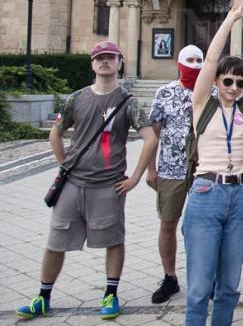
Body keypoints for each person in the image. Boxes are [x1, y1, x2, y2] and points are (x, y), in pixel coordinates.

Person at [16, 41, 157, 320]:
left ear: (119, 63)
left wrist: (136, 177)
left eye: (110, 57)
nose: (105, 62)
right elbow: (56, 133)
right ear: (92, 64)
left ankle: (110, 293)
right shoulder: (76, 98)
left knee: (113, 240)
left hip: (109, 184)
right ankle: (43, 296)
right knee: (56, 240)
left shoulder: (128, 102)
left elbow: (151, 138)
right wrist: (63, 164)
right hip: (73, 184)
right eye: (99, 58)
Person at [183, 4, 243, 326]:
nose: (234, 87)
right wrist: (230, 19)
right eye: (228, 80)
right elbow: (209, 60)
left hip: (240, 196)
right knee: (198, 287)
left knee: (229, 286)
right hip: (206, 192)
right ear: (217, 81)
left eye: (239, 82)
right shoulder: (201, 105)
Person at [145, 44, 204, 303]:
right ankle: (170, 277)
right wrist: (150, 168)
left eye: (198, 60)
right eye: (189, 60)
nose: (194, 65)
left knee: (203, 226)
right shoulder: (164, 93)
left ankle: (205, 278)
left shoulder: (211, 91)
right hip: (171, 168)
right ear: (179, 63)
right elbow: (153, 133)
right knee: (168, 222)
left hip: (204, 169)